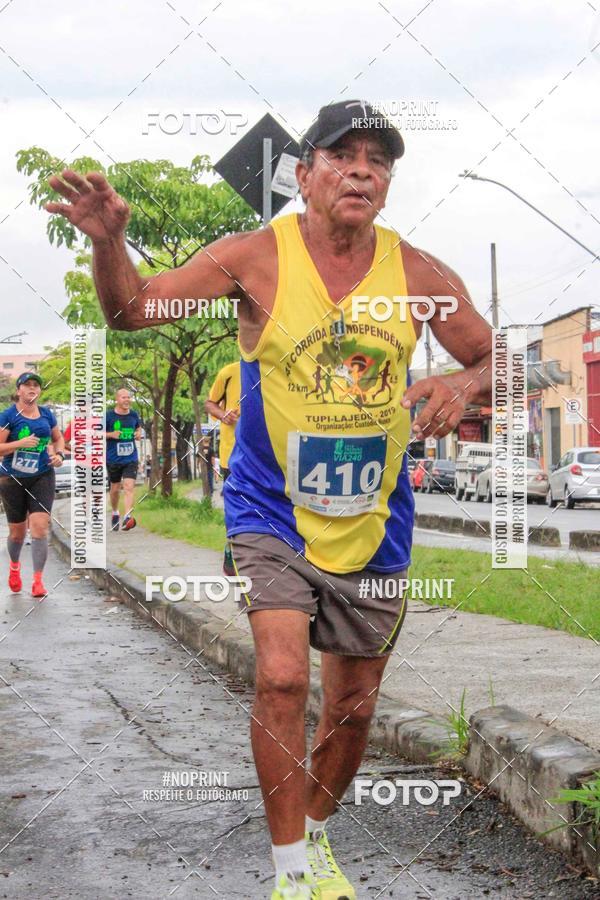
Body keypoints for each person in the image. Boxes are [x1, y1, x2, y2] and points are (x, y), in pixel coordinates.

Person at [47, 99, 493, 900]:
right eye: (343, 154)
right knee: (283, 678)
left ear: (387, 184)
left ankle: (314, 835)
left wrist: (463, 381)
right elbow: (133, 310)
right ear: (306, 170)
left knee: (354, 705)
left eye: (378, 161)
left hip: (375, 517)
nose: (362, 169)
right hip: (270, 508)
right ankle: (291, 870)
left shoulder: (419, 274)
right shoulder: (253, 257)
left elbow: (499, 361)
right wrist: (110, 241)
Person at [0, 373, 65, 599]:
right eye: (27, 385)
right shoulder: (8, 415)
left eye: (36, 385)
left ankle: (38, 580)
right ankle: (15, 566)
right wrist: (20, 443)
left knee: (39, 527)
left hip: (42, 476)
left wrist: (59, 454)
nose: (32, 388)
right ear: (18, 391)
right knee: (17, 534)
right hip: (12, 479)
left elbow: (59, 438)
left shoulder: (47, 414)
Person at [205, 361, 241, 575]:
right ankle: (231, 546)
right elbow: (210, 403)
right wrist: (223, 414)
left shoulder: (275, 368)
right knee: (235, 504)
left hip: (270, 453)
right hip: (233, 454)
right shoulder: (229, 372)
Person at [104, 388, 142, 531]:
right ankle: (115, 512)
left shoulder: (133, 415)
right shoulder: (108, 416)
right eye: (123, 397)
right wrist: (110, 434)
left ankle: (127, 516)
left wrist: (138, 433)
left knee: (128, 487)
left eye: (128, 397)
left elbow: (138, 428)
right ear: (117, 399)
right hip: (113, 458)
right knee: (115, 489)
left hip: (131, 458)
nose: (127, 400)